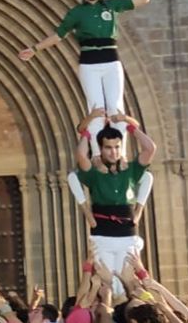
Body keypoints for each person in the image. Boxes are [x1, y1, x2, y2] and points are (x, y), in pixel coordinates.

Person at [19, 0, 150, 154]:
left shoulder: (111, 6)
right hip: (89, 63)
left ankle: (120, 155)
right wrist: (35, 48)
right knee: (96, 109)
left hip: (111, 60)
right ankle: (98, 154)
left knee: (115, 108)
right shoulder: (77, 13)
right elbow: (58, 35)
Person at [72, 113, 156, 297]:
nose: (113, 152)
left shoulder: (131, 170)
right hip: (102, 233)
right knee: (106, 282)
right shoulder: (94, 173)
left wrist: (129, 125)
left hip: (126, 233)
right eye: (108, 148)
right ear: (100, 149)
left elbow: (150, 148)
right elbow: (80, 155)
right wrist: (86, 135)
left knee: (129, 282)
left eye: (117, 147)